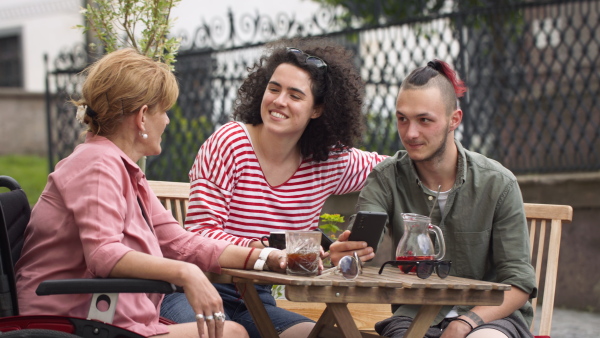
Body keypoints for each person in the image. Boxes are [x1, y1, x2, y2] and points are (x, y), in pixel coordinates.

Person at [15, 48, 288, 338]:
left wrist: (265, 256)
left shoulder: (123, 170)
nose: (168, 121)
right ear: (143, 117)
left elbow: (182, 243)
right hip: (69, 326)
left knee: (230, 331)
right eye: (164, 111)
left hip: (104, 320)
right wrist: (186, 273)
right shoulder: (96, 165)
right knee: (230, 334)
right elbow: (103, 253)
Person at [159, 38, 387, 337]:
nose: (279, 101)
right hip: (194, 291)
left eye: (295, 95)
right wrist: (266, 252)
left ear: (317, 109)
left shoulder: (327, 161)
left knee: (330, 336)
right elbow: (200, 234)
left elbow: (391, 169)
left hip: (259, 300)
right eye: (274, 88)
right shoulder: (230, 144)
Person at [329, 60, 537, 338]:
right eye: (402, 119)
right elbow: (362, 242)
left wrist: (466, 322)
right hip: (413, 315)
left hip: (489, 316)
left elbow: (519, 282)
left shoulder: (497, 183)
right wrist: (348, 253)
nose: (410, 133)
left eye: (424, 120)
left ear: (454, 120)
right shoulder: (386, 177)